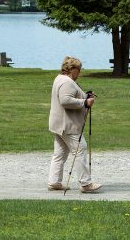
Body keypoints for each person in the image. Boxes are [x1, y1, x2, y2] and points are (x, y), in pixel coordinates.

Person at [48, 56, 102, 193]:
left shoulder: (59, 78)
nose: (80, 73)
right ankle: (85, 184)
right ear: (73, 69)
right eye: (79, 70)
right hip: (68, 125)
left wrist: (85, 95)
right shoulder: (67, 82)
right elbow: (65, 100)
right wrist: (84, 102)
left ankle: (54, 182)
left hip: (59, 124)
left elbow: (71, 95)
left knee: (60, 153)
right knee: (80, 149)